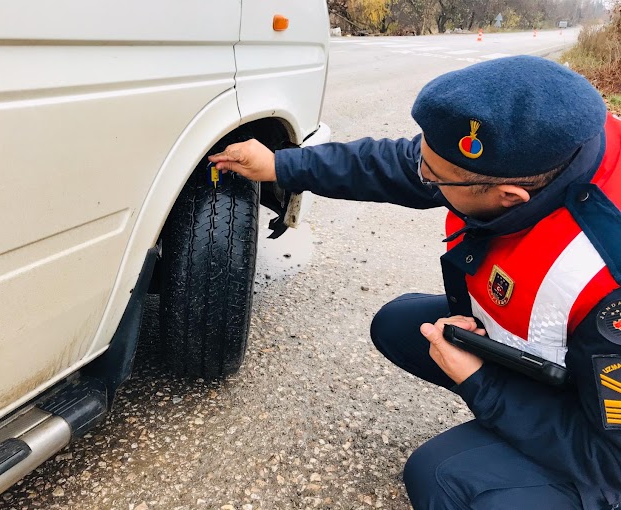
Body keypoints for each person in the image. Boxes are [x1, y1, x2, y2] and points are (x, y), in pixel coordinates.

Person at [209, 55, 621, 509]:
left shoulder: (607, 281)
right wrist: (281, 165)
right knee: (399, 326)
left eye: (435, 178)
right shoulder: (555, 147)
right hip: (566, 356)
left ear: (510, 196)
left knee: (442, 478)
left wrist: (482, 383)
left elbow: (611, 459)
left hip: (610, 445)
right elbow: (403, 164)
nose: (422, 176)